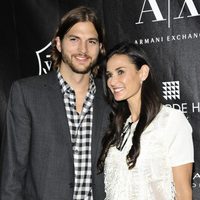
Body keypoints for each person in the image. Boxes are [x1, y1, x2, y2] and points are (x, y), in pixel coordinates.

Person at [0, 6, 111, 200]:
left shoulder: (112, 98)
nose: (83, 50)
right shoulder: (27, 93)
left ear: (100, 48)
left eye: (91, 41)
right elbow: (13, 174)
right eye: (74, 39)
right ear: (58, 43)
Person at [97, 41, 194, 200]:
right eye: (109, 75)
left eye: (120, 72)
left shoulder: (171, 121)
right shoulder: (120, 126)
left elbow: (183, 193)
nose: (112, 82)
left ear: (143, 73)